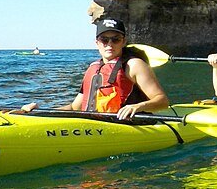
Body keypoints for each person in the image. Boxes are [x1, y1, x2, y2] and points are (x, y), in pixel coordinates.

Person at [23, 18, 169, 119]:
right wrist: (40, 113)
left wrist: (137, 107)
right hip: (95, 124)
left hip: (129, 125)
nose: (109, 44)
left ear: (123, 42)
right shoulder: (93, 68)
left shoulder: (134, 65)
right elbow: (75, 107)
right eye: (104, 40)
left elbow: (162, 101)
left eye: (115, 39)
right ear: (97, 42)